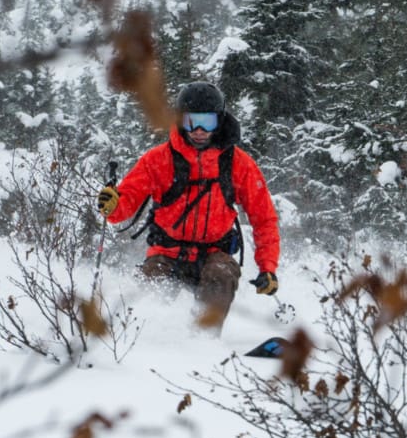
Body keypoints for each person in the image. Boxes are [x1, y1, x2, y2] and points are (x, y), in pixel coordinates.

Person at [97, 81, 280, 330]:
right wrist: (113, 204)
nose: (200, 131)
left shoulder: (238, 164)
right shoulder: (158, 159)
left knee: (222, 276)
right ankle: (149, 346)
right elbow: (123, 208)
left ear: (220, 121)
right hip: (166, 253)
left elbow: (264, 218)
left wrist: (267, 267)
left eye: (208, 122)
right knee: (147, 291)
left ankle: (203, 344)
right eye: (192, 122)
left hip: (215, 255)